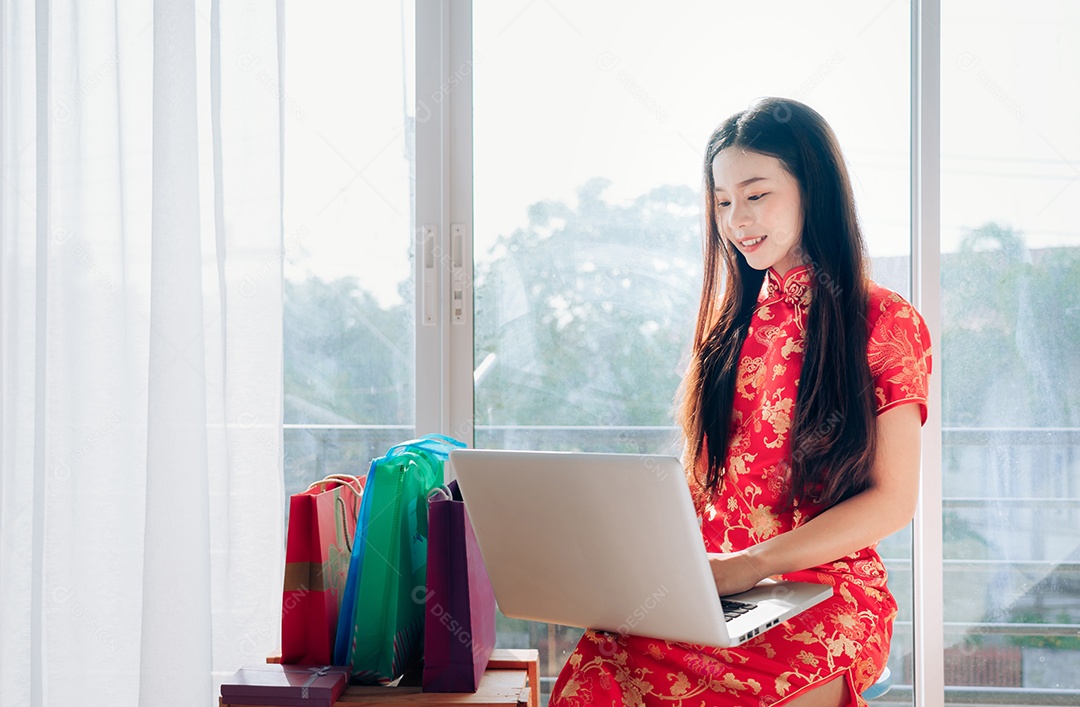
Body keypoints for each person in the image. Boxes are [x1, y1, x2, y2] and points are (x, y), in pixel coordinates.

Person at [549, 97, 932, 707]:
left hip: (825, 592)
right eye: (722, 201)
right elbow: (701, 484)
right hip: (713, 587)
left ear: (815, 190)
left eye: (756, 195)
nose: (737, 220)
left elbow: (892, 501)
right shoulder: (728, 328)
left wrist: (748, 565)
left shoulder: (884, 321)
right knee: (600, 664)